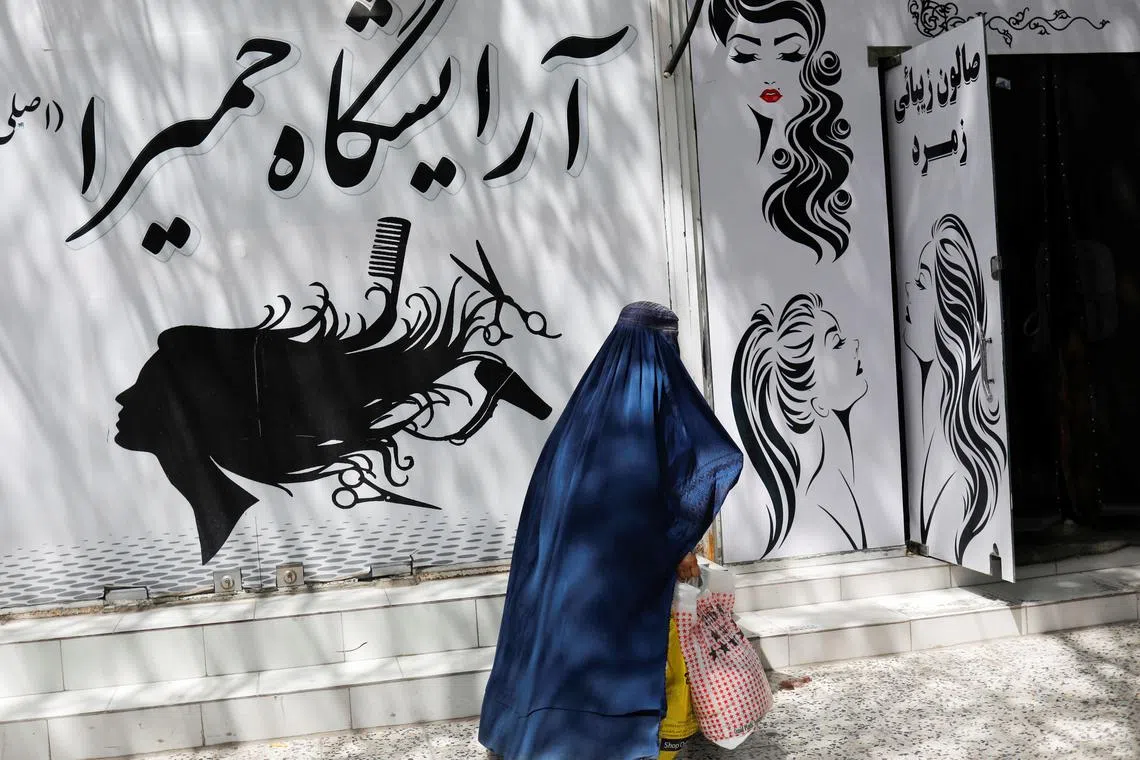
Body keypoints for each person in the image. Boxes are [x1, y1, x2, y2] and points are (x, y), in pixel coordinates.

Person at [479, 301, 744, 760]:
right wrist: (680, 542)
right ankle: (609, 740)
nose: (668, 354)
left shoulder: (587, 407)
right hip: (615, 568)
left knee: (559, 649)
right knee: (608, 653)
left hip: (563, 565)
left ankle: (531, 734)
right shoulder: (646, 410)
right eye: (666, 343)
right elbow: (700, 460)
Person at [707, 0, 853, 262]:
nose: (770, 74)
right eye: (745, 55)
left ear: (812, 56)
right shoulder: (723, 150)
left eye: (790, 52)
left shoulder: (827, 145)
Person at [902, 213, 1007, 564]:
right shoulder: (934, 422)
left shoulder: (962, 467)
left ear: (948, 311)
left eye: (920, 283)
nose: (907, 289)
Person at [731, 293, 868, 557]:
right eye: (837, 343)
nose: (855, 344)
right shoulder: (822, 508)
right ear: (816, 401)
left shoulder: (839, 490)